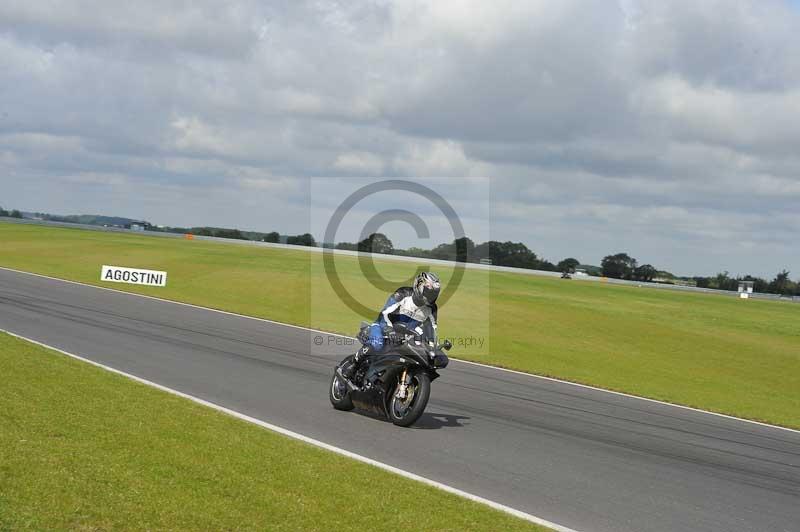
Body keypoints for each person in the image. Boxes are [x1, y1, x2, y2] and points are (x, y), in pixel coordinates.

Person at [338, 271, 441, 383]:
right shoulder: (403, 294)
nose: (431, 296)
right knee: (377, 344)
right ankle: (353, 363)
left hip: (404, 336)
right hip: (382, 326)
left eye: (434, 294)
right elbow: (384, 314)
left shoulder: (432, 308)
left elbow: (432, 329)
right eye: (428, 292)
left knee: (414, 357)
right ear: (418, 287)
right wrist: (390, 330)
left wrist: (432, 347)